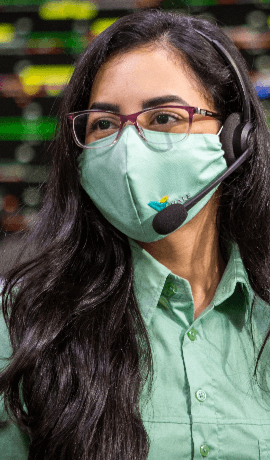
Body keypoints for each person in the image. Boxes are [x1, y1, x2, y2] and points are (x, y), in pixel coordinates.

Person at [1, 7, 270, 460]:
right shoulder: (21, 326)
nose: (127, 150)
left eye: (164, 118)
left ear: (235, 140)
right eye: (104, 124)